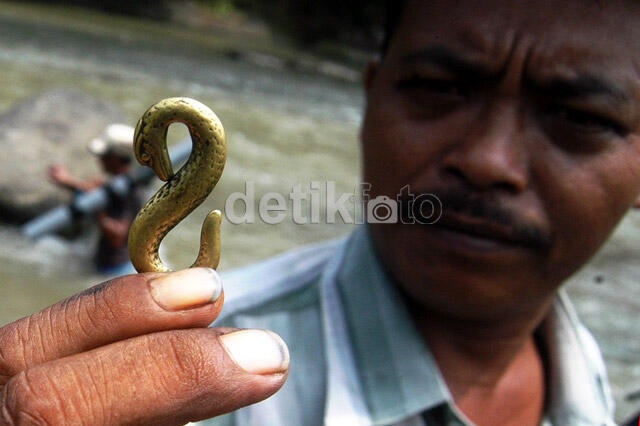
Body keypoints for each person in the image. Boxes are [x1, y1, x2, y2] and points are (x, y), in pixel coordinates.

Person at [0, 0, 638, 424]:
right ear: (369, 99)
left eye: (580, 118)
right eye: (439, 88)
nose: (489, 160)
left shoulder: (589, 372)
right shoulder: (192, 385)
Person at [48, 123, 143, 276]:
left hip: (117, 270)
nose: (99, 160)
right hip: (107, 266)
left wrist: (96, 208)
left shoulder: (131, 190)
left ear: (116, 158)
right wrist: (66, 181)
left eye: (104, 156)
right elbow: (100, 194)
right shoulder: (120, 183)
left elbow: (117, 237)